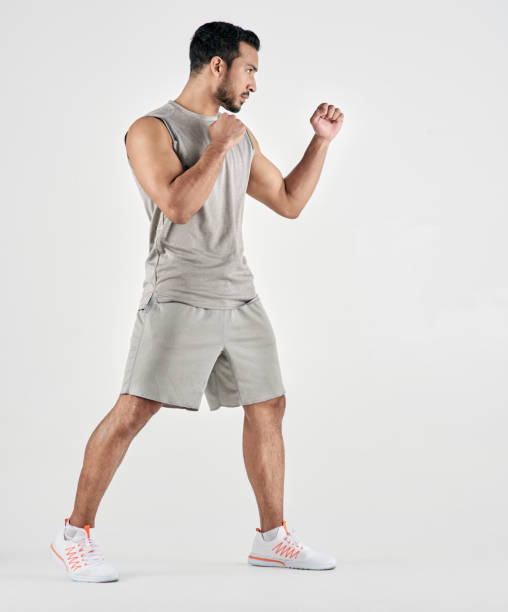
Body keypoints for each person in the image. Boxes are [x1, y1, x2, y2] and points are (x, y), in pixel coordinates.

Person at [50, 21, 344, 582]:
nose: (254, 83)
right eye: (250, 69)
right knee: (135, 409)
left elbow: (287, 200)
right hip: (178, 293)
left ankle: (271, 537)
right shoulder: (151, 129)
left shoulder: (238, 135)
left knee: (269, 406)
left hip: (239, 292)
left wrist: (320, 142)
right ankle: (74, 535)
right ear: (218, 66)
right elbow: (179, 207)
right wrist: (215, 148)